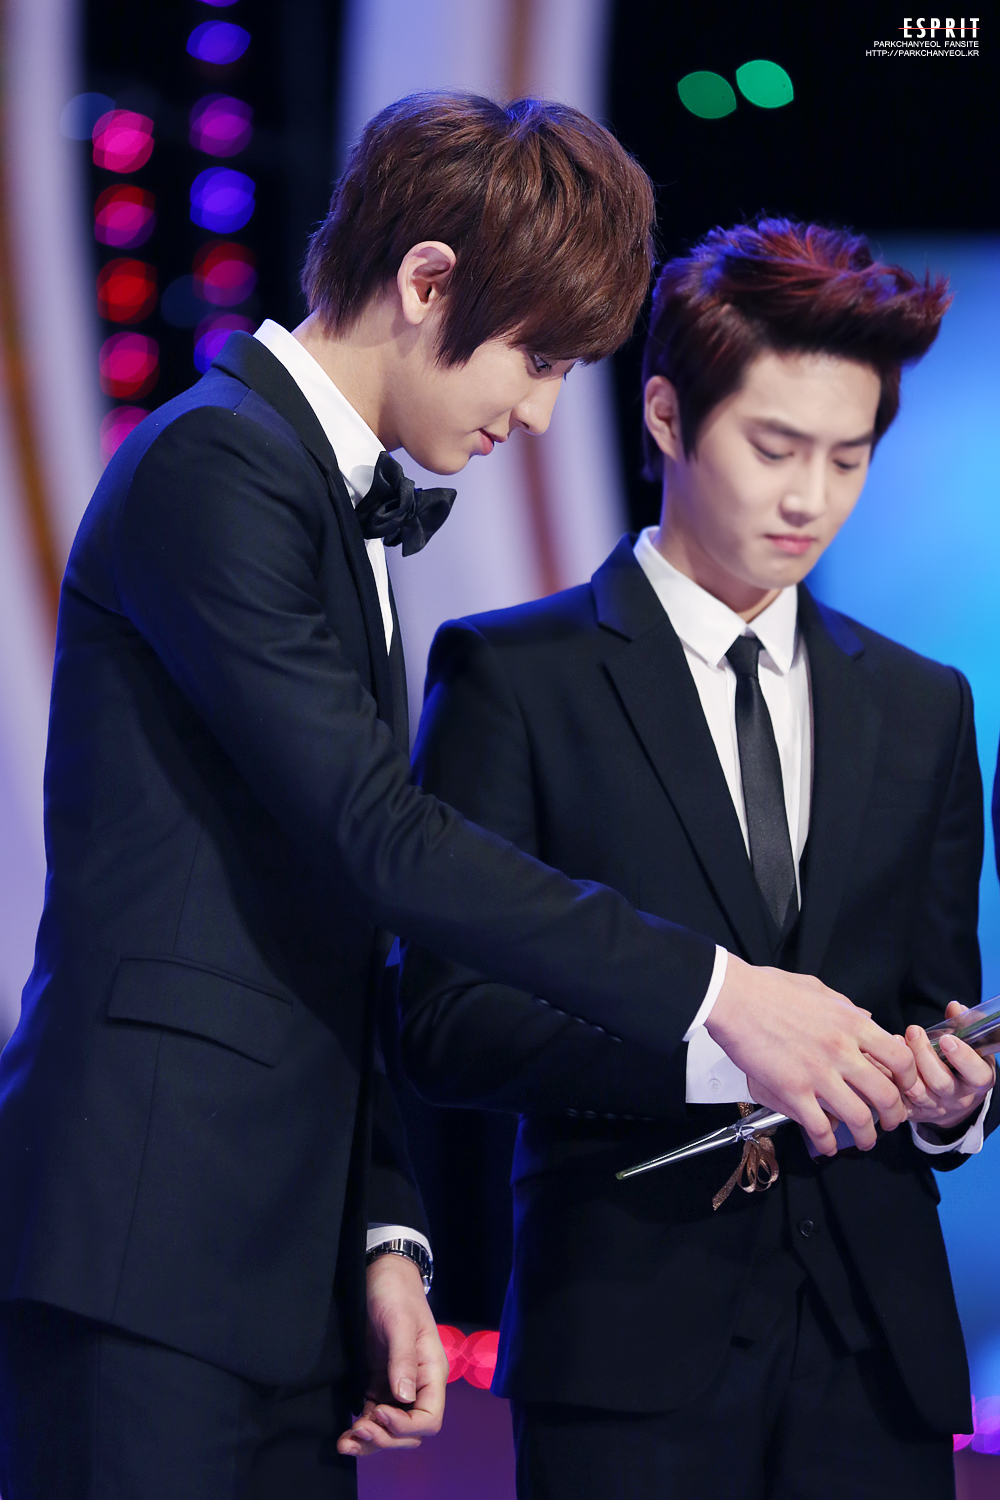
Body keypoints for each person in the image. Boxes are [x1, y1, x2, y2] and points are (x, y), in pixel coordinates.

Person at [0, 102, 916, 1499]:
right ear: (427, 282)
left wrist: (382, 1232)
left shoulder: (321, 496)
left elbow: (327, 923)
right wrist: (723, 992)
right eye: (536, 359)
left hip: (270, 1262)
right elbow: (380, 837)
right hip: (144, 1238)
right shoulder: (215, 463)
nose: (540, 413)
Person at [399, 219, 998, 1500]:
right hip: (625, 1344)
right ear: (666, 415)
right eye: (774, 449)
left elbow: (931, 1003)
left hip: (873, 1351)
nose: (809, 499)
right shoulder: (515, 676)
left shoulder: (923, 704)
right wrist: (720, 1048)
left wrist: (955, 1104)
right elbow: (444, 1022)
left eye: (848, 458)